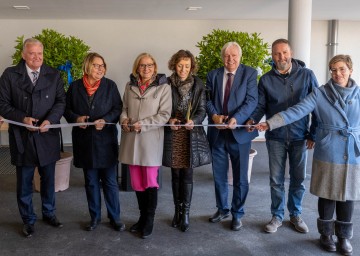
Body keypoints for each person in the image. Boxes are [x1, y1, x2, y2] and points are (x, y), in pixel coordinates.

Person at [256, 54, 358, 255]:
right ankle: (326, 235)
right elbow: (297, 110)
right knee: (327, 194)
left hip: (352, 153)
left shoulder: (359, 94)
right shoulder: (321, 94)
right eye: (334, 70)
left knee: (348, 196)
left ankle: (344, 237)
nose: (338, 74)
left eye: (342, 69)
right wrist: (270, 123)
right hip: (329, 150)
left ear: (350, 71)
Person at [247, 38, 318, 234]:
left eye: (284, 52)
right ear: (272, 56)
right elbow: (261, 106)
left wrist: (314, 133)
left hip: (299, 136)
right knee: (276, 180)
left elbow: (317, 106)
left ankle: (295, 214)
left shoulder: (307, 75)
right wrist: (253, 120)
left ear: (291, 53)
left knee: (298, 179)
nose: (281, 57)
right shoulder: (266, 80)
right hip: (275, 136)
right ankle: (277, 216)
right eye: (277, 54)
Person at [0, 38, 66, 238]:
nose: (37, 57)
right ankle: (28, 219)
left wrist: (50, 120)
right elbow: (2, 104)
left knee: (48, 179)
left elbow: (61, 101)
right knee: (24, 182)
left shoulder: (53, 74)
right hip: (22, 136)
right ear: (23, 54)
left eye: (40, 53)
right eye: (32, 53)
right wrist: (22, 118)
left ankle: (49, 213)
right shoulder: (9, 75)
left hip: (47, 135)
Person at [64, 52, 125, 232]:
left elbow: (118, 108)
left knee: (110, 182)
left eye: (102, 66)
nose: (100, 69)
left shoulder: (110, 85)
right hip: (84, 142)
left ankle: (115, 218)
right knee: (90, 182)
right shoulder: (74, 87)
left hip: (106, 141)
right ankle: (95, 217)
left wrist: (105, 120)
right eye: (96, 65)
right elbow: (66, 110)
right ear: (87, 66)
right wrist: (77, 118)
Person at [206, 42, 258, 231]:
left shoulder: (250, 74)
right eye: (227, 56)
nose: (231, 59)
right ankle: (222, 209)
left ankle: (237, 213)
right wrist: (214, 116)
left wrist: (237, 118)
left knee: (240, 177)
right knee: (219, 176)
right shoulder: (213, 75)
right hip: (218, 133)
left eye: (234, 55)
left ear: (240, 56)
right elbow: (208, 100)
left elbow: (252, 101)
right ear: (222, 57)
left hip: (240, 133)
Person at [119, 53, 171, 239]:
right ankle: (141, 217)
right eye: (142, 66)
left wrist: (144, 124)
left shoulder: (164, 88)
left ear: (155, 68)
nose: (146, 69)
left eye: (150, 65)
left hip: (150, 140)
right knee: (137, 182)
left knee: (150, 181)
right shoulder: (129, 86)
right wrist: (124, 120)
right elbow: (124, 108)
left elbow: (164, 114)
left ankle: (149, 219)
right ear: (137, 68)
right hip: (131, 139)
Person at [163, 50, 211, 232]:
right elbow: (162, 107)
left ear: (192, 67)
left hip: (190, 133)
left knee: (188, 175)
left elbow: (202, 109)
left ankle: (186, 214)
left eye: (187, 66)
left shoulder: (198, 84)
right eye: (180, 65)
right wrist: (169, 120)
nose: (183, 69)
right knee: (175, 175)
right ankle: (177, 211)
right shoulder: (166, 83)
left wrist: (195, 121)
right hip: (173, 133)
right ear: (174, 65)